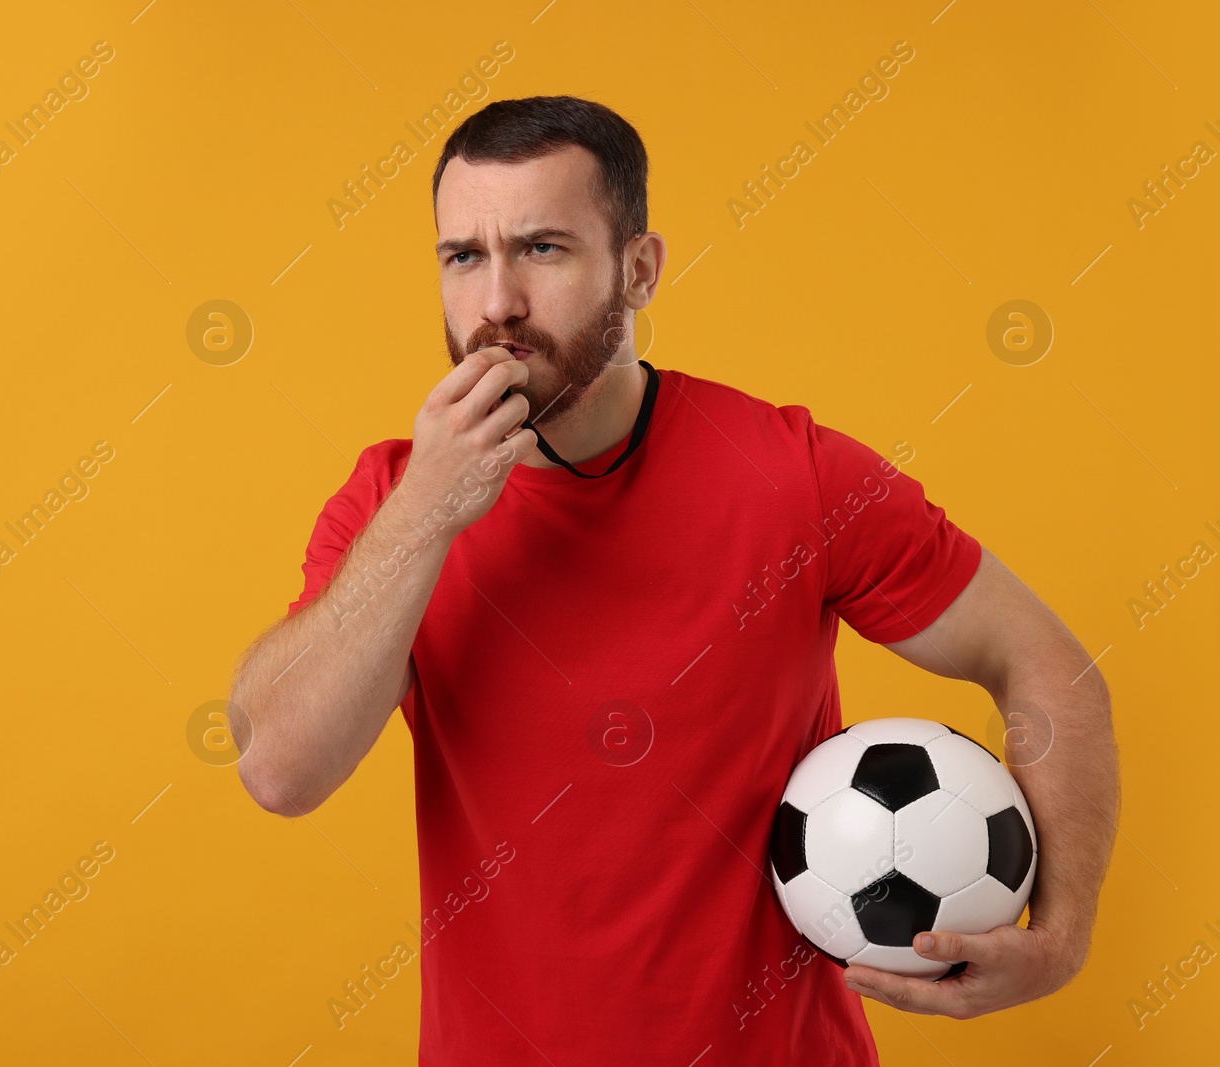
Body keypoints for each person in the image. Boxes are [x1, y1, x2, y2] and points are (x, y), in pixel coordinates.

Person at [228, 95, 1118, 1066]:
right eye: (463, 257)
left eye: (542, 248)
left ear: (639, 269)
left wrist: (1060, 936)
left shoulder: (792, 474)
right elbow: (280, 766)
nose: (495, 304)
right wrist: (425, 514)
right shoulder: (389, 506)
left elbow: (1046, 665)